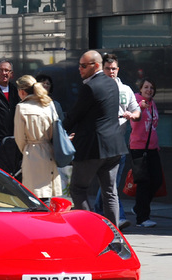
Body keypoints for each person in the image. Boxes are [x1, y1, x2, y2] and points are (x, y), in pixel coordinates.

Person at [62, 50, 126, 227]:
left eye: (83, 66)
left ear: (96, 65)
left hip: (92, 147)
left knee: (78, 189)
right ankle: (114, 235)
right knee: (110, 192)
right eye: (79, 65)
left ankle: (90, 228)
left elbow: (75, 114)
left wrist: (58, 131)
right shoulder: (112, 83)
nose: (79, 69)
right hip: (114, 147)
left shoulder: (90, 87)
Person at [93, 53, 141, 230]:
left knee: (111, 183)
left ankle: (106, 214)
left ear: (118, 69)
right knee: (108, 184)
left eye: (113, 69)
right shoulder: (95, 88)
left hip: (118, 144)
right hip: (100, 144)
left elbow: (136, 111)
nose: (111, 72)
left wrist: (132, 115)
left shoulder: (125, 90)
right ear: (102, 69)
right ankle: (110, 215)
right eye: (107, 68)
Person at [13, 75, 61, 199]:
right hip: (49, 151)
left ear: (21, 91)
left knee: (34, 196)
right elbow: (55, 130)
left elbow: (19, 138)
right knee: (47, 195)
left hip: (31, 153)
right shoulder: (49, 104)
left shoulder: (21, 107)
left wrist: (27, 149)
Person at [130, 77, 164, 228]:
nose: (149, 90)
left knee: (157, 180)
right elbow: (134, 121)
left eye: (151, 88)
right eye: (146, 87)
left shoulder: (152, 103)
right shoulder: (137, 102)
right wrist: (141, 107)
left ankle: (139, 207)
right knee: (144, 183)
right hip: (139, 148)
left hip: (152, 148)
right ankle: (142, 218)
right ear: (140, 89)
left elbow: (153, 126)